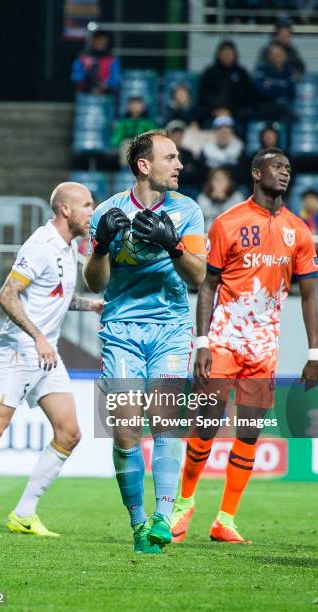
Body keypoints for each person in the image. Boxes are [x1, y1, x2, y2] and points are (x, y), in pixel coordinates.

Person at [171, 147, 318, 544]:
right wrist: (201, 342)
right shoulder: (228, 223)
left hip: (263, 348)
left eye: (288, 167)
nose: (285, 173)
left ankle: (225, 519)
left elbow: (309, 296)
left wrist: (315, 353)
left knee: (249, 433)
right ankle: (183, 505)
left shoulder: (299, 230)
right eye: (277, 167)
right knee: (204, 426)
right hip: (223, 340)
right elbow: (207, 285)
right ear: (257, 173)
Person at [0, 182, 104, 536]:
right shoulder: (42, 245)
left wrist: (89, 305)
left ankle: (24, 513)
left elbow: (53, 297)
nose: (93, 211)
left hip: (46, 353)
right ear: (64, 210)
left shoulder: (67, 247)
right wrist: (39, 336)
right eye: (87, 205)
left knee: (69, 433)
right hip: (21, 349)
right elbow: (7, 295)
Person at [84, 129, 206, 554]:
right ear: (144, 165)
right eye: (170, 158)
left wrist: (173, 245)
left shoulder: (188, 210)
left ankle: (163, 517)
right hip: (120, 332)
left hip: (170, 328)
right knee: (125, 434)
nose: (179, 165)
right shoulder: (107, 210)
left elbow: (197, 276)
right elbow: (96, 282)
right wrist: (100, 245)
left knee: (167, 421)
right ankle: (138, 523)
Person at [197, 40, 255, 126]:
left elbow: (248, 97)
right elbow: (203, 96)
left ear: (235, 55)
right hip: (211, 113)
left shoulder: (242, 73)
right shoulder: (209, 73)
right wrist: (214, 110)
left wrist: (231, 111)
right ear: (218, 54)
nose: (227, 56)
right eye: (224, 53)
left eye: (229, 53)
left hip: (235, 114)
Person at [253, 42, 295, 122]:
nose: (277, 56)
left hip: (283, 109)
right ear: (269, 56)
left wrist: (271, 87)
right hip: (265, 108)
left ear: (285, 56)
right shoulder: (261, 70)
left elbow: (291, 93)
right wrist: (280, 89)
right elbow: (260, 91)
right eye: (274, 54)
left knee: (290, 115)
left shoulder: (288, 72)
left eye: (279, 54)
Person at [71, 30, 121, 95]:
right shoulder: (83, 58)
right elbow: (75, 77)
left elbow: (116, 79)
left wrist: (106, 84)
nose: (99, 43)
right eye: (97, 40)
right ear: (93, 41)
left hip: (105, 96)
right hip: (85, 95)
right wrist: (86, 72)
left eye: (102, 41)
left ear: (107, 43)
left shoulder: (112, 60)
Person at [167, 120, 206, 198]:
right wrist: (185, 171)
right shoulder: (163, 154)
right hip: (169, 188)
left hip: (188, 188)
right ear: (169, 135)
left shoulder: (188, 153)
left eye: (180, 133)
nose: (178, 136)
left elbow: (197, 175)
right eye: (174, 133)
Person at [202, 115, 246, 186]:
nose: (223, 135)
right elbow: (203, 174)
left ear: (231, 133)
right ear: (215, 132)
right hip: (211, 186)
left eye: (226, 132)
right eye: (220, 132)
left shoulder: (240, 148)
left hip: (234, 186)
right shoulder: (206, 149)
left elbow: (242, 175)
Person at [111, 97, 156, 165]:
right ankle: (126, 168)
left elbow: (153, 134)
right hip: (129, 143)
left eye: (137, 104)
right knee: (125, 143)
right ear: (128, 107)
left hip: (143, 142)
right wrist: (114, 143)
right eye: (132, 104)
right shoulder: (124, 123)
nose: (135, 107)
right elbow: (118, 136)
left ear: (143, 107)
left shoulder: (147, 122)